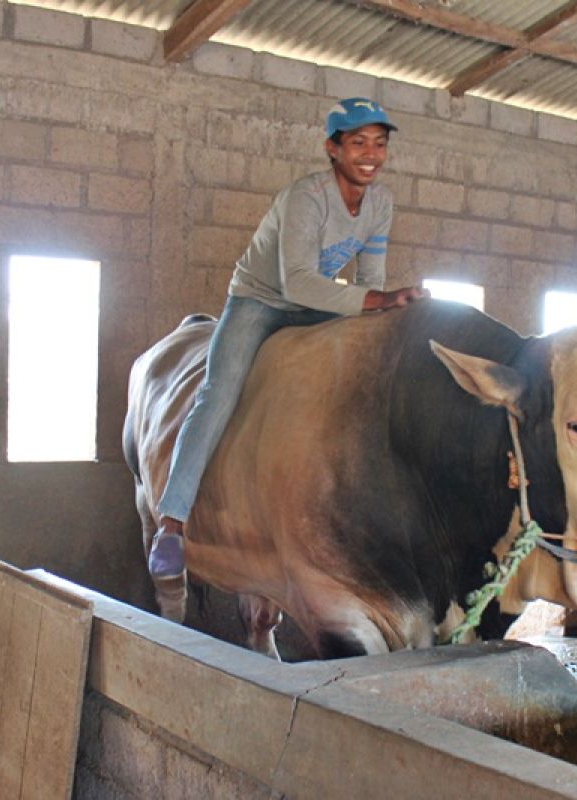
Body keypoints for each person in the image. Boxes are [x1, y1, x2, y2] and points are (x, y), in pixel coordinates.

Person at [149, 97, 427, 580]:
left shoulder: (380, 203)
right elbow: (297, 281)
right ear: (332, 148)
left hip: (317, 304)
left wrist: (389, 311)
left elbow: (371, 280)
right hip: (260, 300)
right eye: (358, 142)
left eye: (380, 144)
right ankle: (172, 523)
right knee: (218, 393)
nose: (371, 154)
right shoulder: (306, 198)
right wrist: (377, 301)